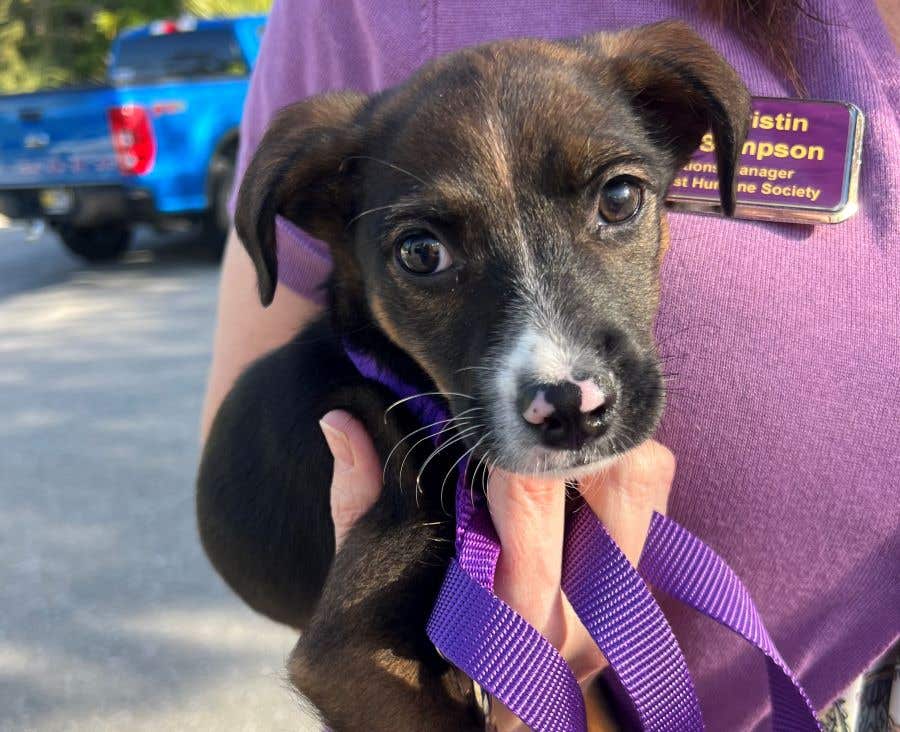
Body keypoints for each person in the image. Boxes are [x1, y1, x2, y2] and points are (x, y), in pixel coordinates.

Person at [201, 2, 899, 730]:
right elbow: (353, 664)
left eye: (618, 200)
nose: (561, 380)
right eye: (425, 254)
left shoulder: (649, 87)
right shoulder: (392, 444)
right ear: (327, 221)